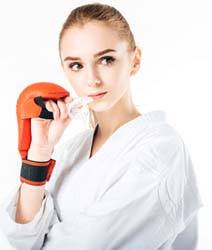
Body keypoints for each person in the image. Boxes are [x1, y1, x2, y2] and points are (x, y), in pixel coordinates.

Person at [0, 3, 203, 250]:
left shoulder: (159, 151)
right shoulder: (71, 150)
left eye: (106, 59)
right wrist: (39, 155)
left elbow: (90, 245)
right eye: (77, 65)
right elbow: (22, 239)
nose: (92, 80)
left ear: (134, 60)